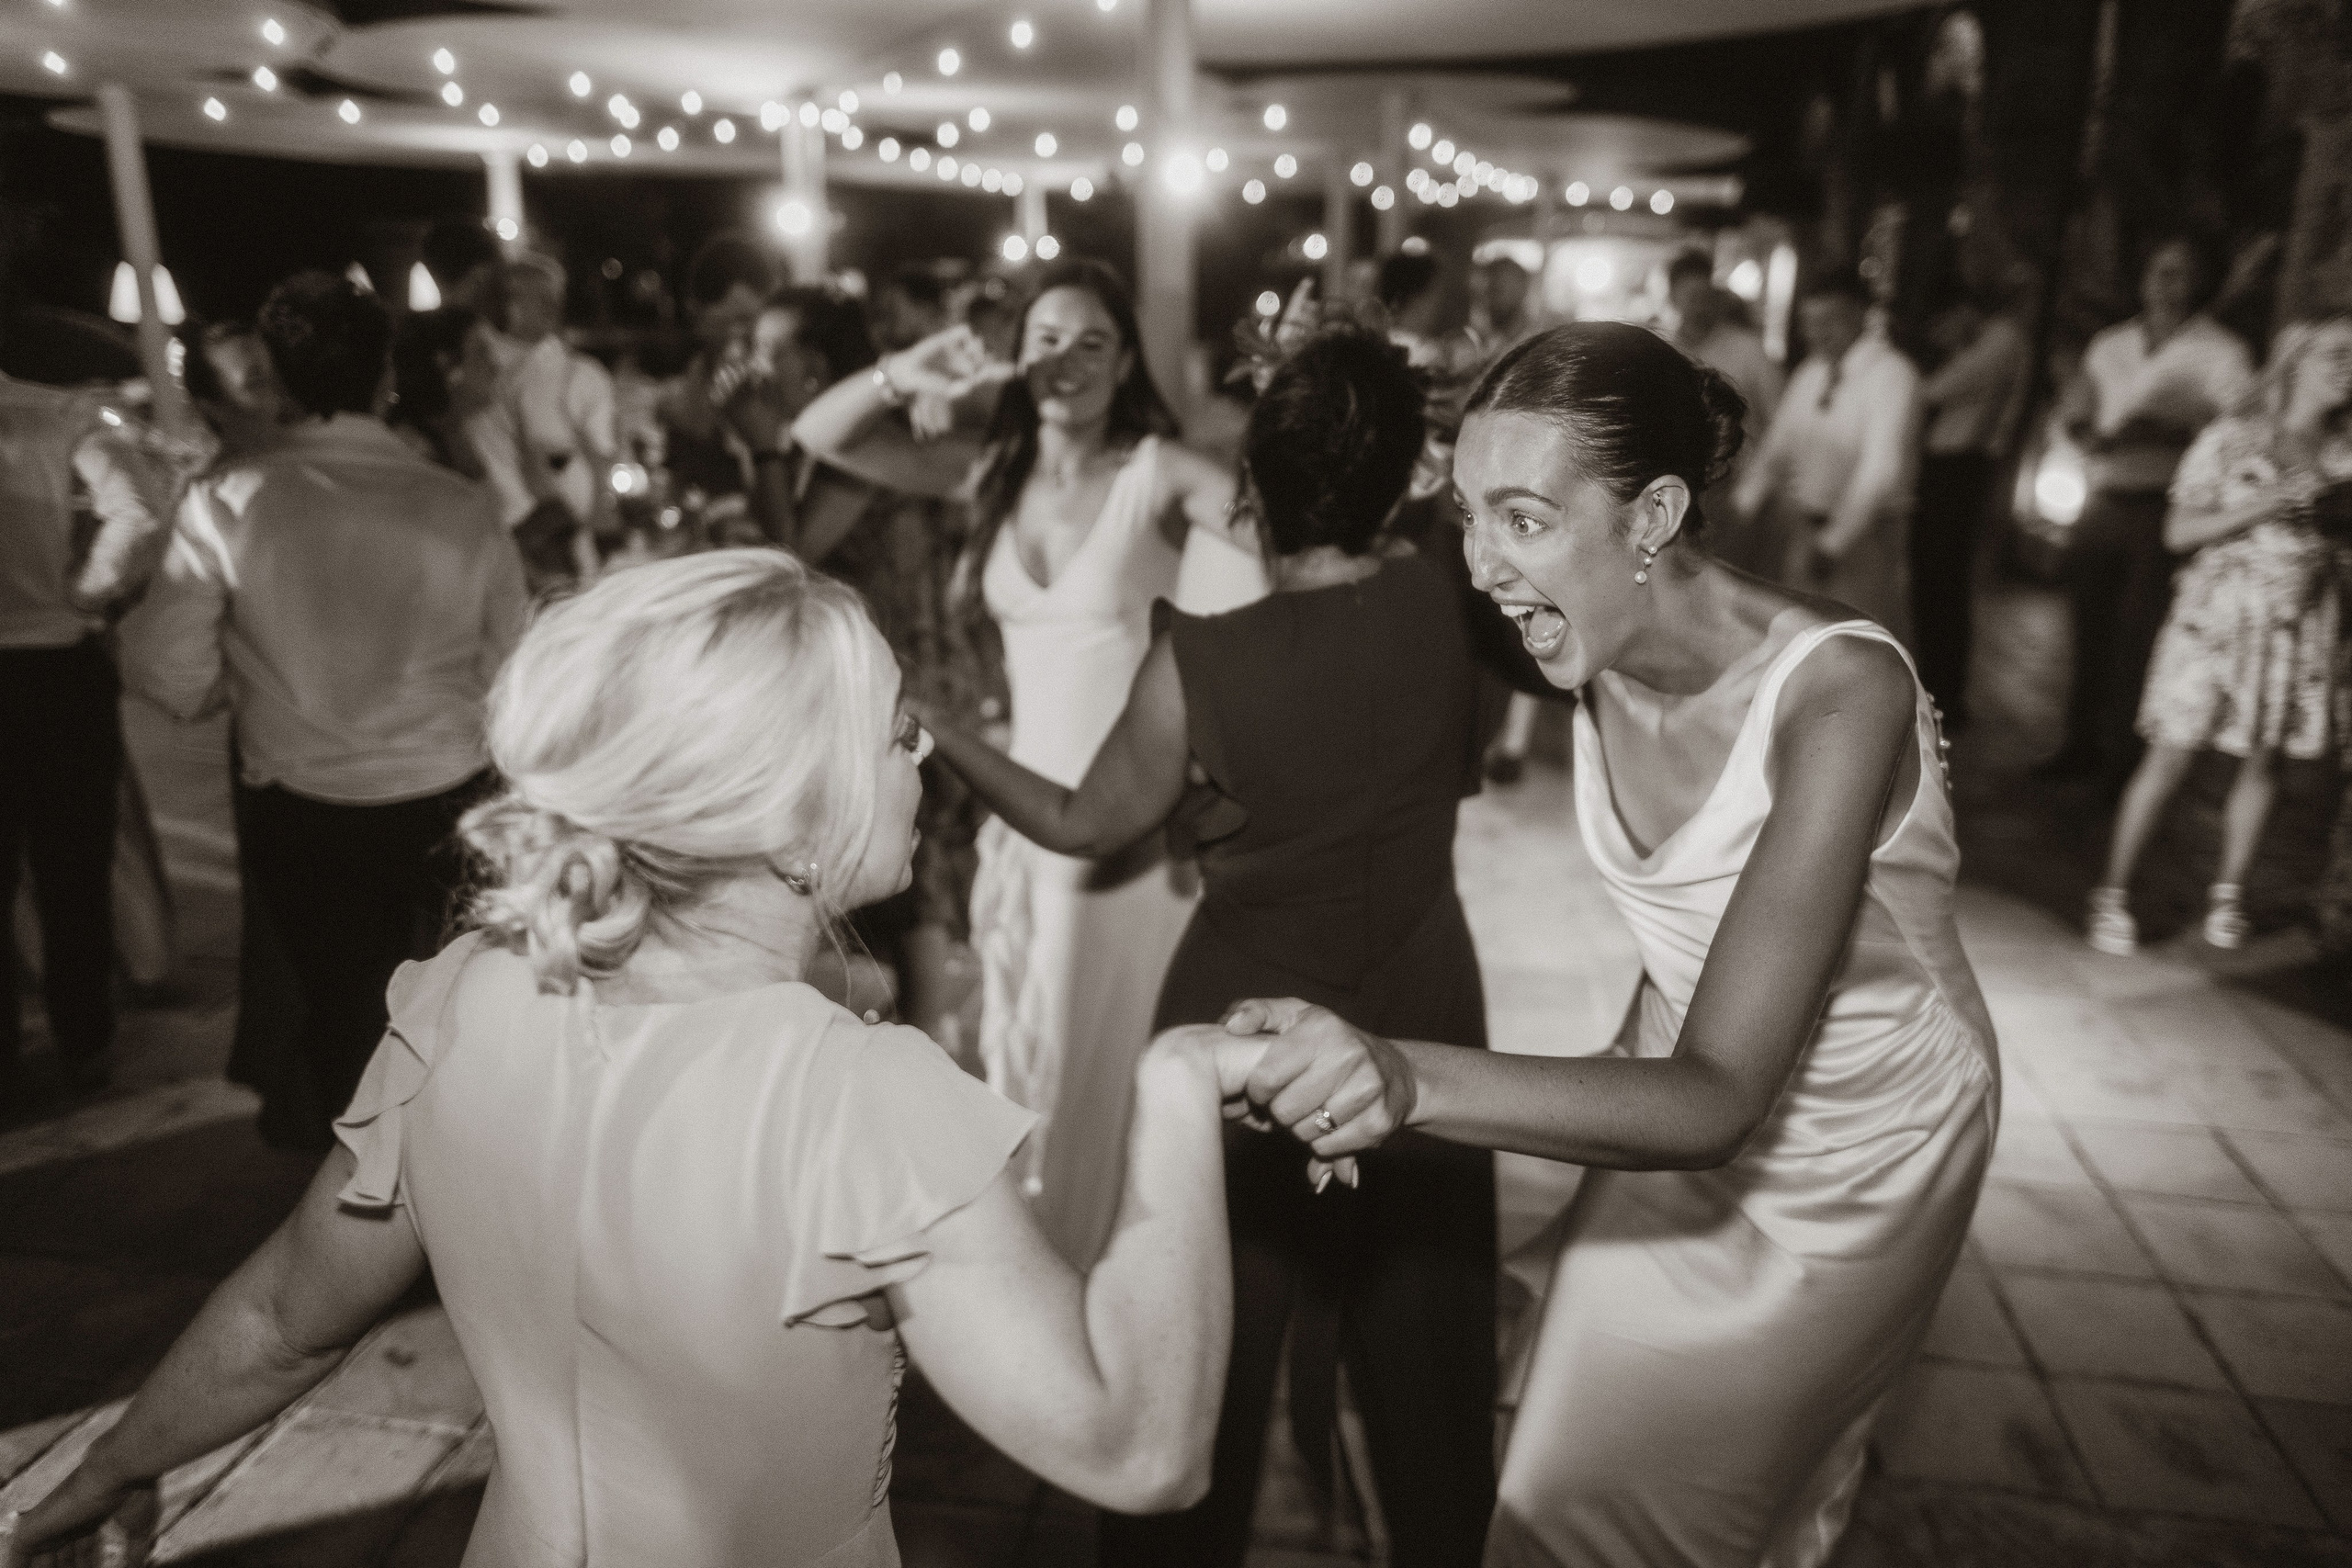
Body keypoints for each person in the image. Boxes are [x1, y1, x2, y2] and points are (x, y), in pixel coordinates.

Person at [0, 549, 1248, 1568]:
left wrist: (106, 1465)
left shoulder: (461, 998)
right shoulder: (858, 1100)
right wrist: (1176, 1085)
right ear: (785, 812)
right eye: (895, 734)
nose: (922, 762)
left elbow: (280, 1316)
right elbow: (1139, 1449)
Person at [1217, 321, 2000, 1568]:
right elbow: (1695, 943)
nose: (1480, 566)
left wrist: (1402, 1073)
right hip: (1676, 1081)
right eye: (1468, 515)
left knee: (1674, 1505)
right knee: (1550, 1472)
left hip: (1861, 1139)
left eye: (1521, 518)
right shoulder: (1582, 637)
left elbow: (1721, 1096)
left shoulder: (1840, 696)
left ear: (1655, 515)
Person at [917, 328, 1497, 1567]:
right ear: (1404, 476)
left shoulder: (1202, 660)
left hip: (1233, 1026)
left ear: (1251, 487)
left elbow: (1082, 821)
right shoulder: (1446, 598)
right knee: (1428, 1349)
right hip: (1422, 993)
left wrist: (944, 732)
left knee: (1199, 1343)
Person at [793, 257, 1244, 1268]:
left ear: (1126, 359)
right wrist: (906, 369)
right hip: (1023, 811)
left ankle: (1108, 1278)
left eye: (1092, 341)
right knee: (1029, 1051)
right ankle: (1050, 1269)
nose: (1066, 360)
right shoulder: (989, 469)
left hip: (1125, 821)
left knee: (1103, 1061)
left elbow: (1286, 536)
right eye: (1045, 338)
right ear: (1016, 354)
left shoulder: (1159, 473)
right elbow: (820, 435)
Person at [119, 270, 527, 1150]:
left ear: (283, 379)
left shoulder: (228, 502)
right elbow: (511, 671)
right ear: (385, 376)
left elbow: (164, 665)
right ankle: (470, 1184)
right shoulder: (459, 505)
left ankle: (372, 1204)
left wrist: (236, 681)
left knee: (349, 1014)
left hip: (302, 806)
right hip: (447, 790)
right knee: (468, 1005)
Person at [2086, 315, 2352, 955]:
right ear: (2295, 360)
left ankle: (2228, 893)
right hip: (2217, 619)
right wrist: (2267, 503)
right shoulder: (2232, 439)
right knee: (2173, 752)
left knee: (2265, 760)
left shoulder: (2345, 455)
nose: (2349, 368)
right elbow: (2178, 531)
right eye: (2338, 354)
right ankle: (2113, 893)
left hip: (2296, 624)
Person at [0, 355, 169, 1103]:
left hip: (48, 659)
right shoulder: (56, 411)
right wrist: (91, 591)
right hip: (57, 666)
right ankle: (85, 1036)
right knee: (74, 861)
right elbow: (140, 508)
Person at [2043, 234, 2256, 784]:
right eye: (2157, 268)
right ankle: (2076, 746)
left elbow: (2237, 435)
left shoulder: (2223, 353)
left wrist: (2174, 426)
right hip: (2102, 496)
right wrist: (2078, 425)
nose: (2164, 281)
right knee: (2088, 624)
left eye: (2179, 271)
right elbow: (2080, 407)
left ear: (2199, 282)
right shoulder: (2111, 344)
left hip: (2160, 506)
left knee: (2136, 635)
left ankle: (2119, 765)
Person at [1734, 269, 1922, 637]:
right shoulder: (1812, 371)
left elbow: (1881, 470)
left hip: (1867, 537)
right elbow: (1779, 445)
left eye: (1829, 321)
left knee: (1861, 641)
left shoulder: (1892, 374)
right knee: (1806, 639)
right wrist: (1745, 503)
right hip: (1803, 527)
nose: (1817, 333)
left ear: (1861, 316)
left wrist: (1835, 542)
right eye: (1809, 322)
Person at [1911, 281, 2033, 727]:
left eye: (1944, 323)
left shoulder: (2000, 339)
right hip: (1950, 466)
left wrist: (1944, 357)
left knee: (1945, 581)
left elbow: (1934, 391)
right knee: (1934, 581)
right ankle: (1936, 687)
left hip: (1962, 467)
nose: (1940, 334)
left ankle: (1946, 695)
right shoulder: (1986, 341)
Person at [1668, 250, 1784, 575]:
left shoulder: (1748, 350)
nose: (1699, 305)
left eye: (1705, 295)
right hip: (1679, 491)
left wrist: (1752, 494)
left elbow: (1780, 424)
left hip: (1737, 492)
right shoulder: (1663, 350)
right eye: (1691, 296)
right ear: (1672, 297)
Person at [504, 252, 617, 577]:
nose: (550, 308)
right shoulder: (482, 376)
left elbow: (601, 455)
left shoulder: (582, 376)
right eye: (538, 298)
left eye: (554, 299)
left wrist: (598, 515)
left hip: (564, 535)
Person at [386, 306, 498, 478]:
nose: (496, 365)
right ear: (445, 364)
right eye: (481, 352)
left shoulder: (467, 441)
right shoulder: (414, 454)